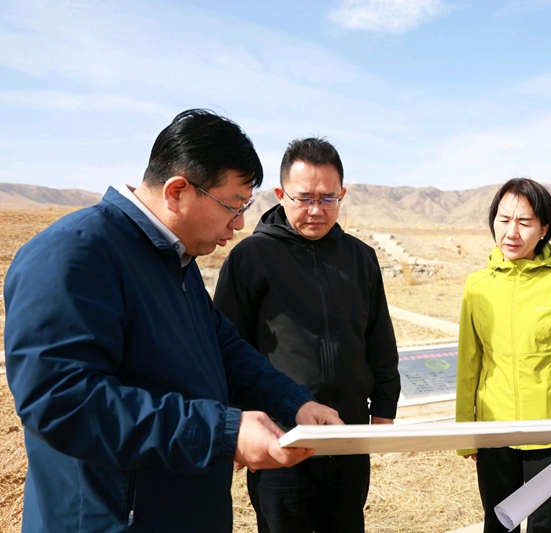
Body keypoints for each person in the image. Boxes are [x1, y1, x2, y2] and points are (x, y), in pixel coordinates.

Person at [3, 109, 343, 533]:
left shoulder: (175, 260)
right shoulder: (74, 255)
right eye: (232, 206)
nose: (240, 223)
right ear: (177, 191)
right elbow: (61, 400)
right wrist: (222, 431)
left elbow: (224, 350)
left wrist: (294, 403)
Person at [213, 137, 401, 533]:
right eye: (304, 198)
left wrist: (384, 410)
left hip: (348, 438)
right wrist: (234, 421)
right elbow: (226, 348)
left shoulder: (361, 258)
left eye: (328, 198)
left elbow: (379, 340)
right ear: (281, 194)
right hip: (281, 439)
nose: (316, 210)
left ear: (342, 195)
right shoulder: (250, 258)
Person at [455, 178, 551, 533]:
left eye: (524, 222)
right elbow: (469, 362)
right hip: (494, 429)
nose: (511, 232)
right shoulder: (477, 285)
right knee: (498, 524)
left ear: (544, 228)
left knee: (547, 525)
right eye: (504, 220)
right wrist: (465, 431)